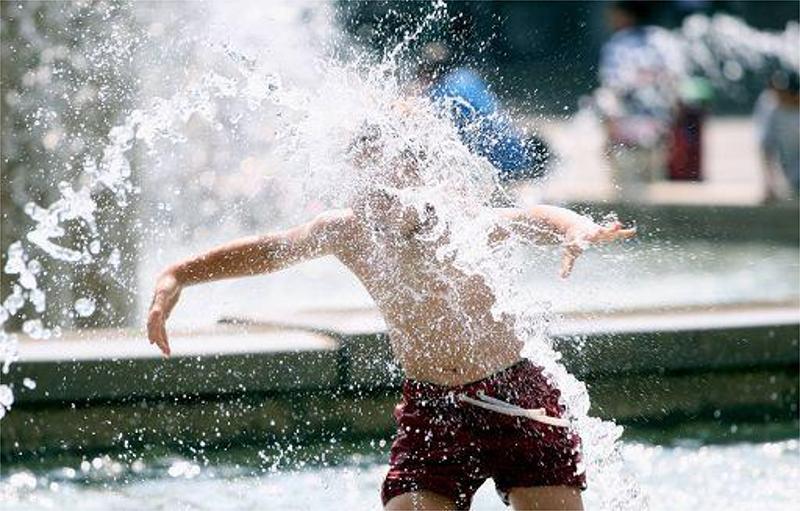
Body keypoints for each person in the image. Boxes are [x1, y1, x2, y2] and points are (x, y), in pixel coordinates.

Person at [146, 120, 635, 510]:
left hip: (515, 396)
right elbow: (270, 251)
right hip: (433, 406)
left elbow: (532, 217)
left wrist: (577, 229)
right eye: (363, 181)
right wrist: (180, 275)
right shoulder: (349, 231)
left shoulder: (457, 224)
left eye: (386, 179)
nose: (374, 194)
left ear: (416, 177)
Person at [414, 42, 551, 186]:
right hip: (524, 152)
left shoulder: (439, 95)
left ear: (425, 71)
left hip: (500, 169)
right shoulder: (467, 76)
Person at [596, 0, 680, 200]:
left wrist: (608, 135)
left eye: (614, 13)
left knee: (623, 195)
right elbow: (675, 85)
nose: (610, 19)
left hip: (624, 133)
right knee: (653, 194)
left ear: (627, 15)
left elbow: (611, 90)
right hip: (657, 130)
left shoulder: (618, 44)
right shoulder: (664, 40)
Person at [754, 68, 800, 201]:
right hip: (791, 173)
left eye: (782, 93)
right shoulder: (770, 104)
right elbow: (766, 146)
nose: (778, 96)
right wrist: (769, 185)